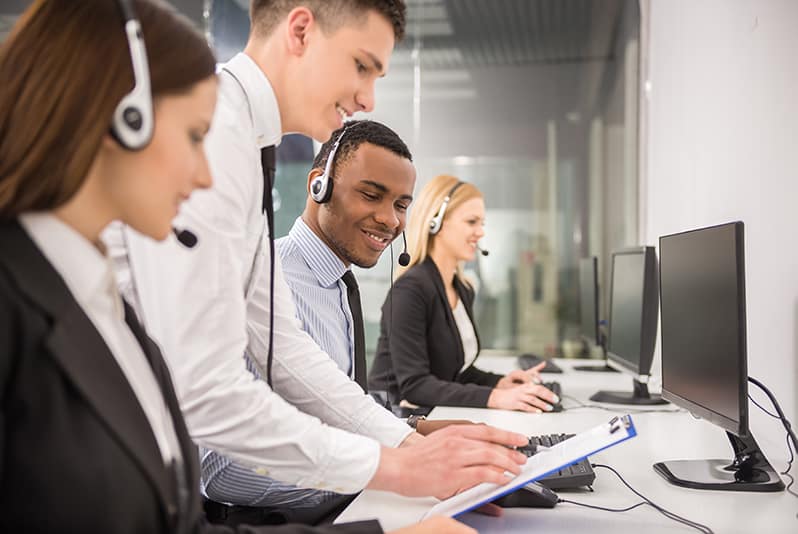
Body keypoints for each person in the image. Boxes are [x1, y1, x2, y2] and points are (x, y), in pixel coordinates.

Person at [116, 0, 528, 522]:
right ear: (301, 30)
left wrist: (408, 446)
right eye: (361, 65)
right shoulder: (215, 134)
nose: (367, 97)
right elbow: (207, 394)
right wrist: (394, 469)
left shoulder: (246, 140)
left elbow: (284, 347)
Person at [369, 175, 560, 413]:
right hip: (394, 419)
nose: (480, 232)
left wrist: (500, 383)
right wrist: (496, 398)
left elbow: (455, 372)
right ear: (435, 223)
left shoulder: (462, 288)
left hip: (433, 412)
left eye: (482, 223)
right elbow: (415, 385)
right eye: (472, 222)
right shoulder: (410, 291)